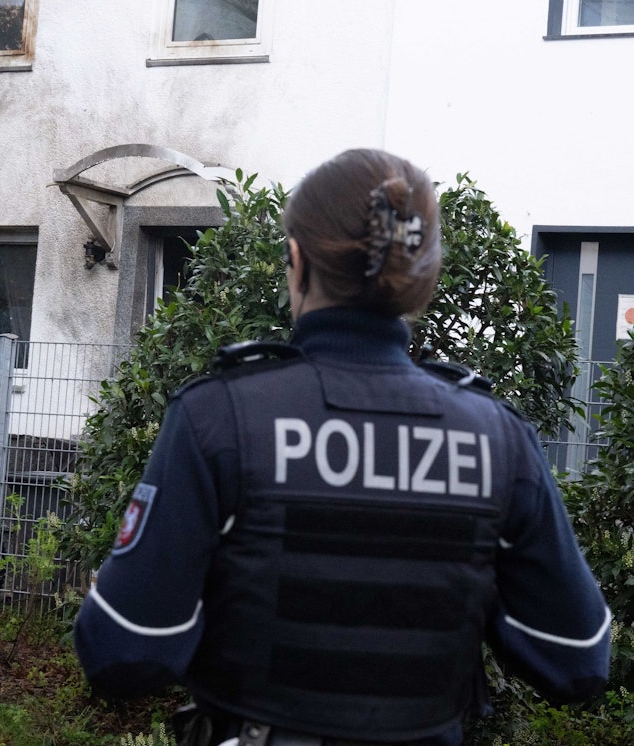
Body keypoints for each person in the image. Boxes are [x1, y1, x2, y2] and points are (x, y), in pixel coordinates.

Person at [72, 149, 611, 746]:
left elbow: (120, 651)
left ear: (297, 262)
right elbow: (578, 658)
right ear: (421, 279)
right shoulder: (498, 440)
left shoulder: (220, 419)